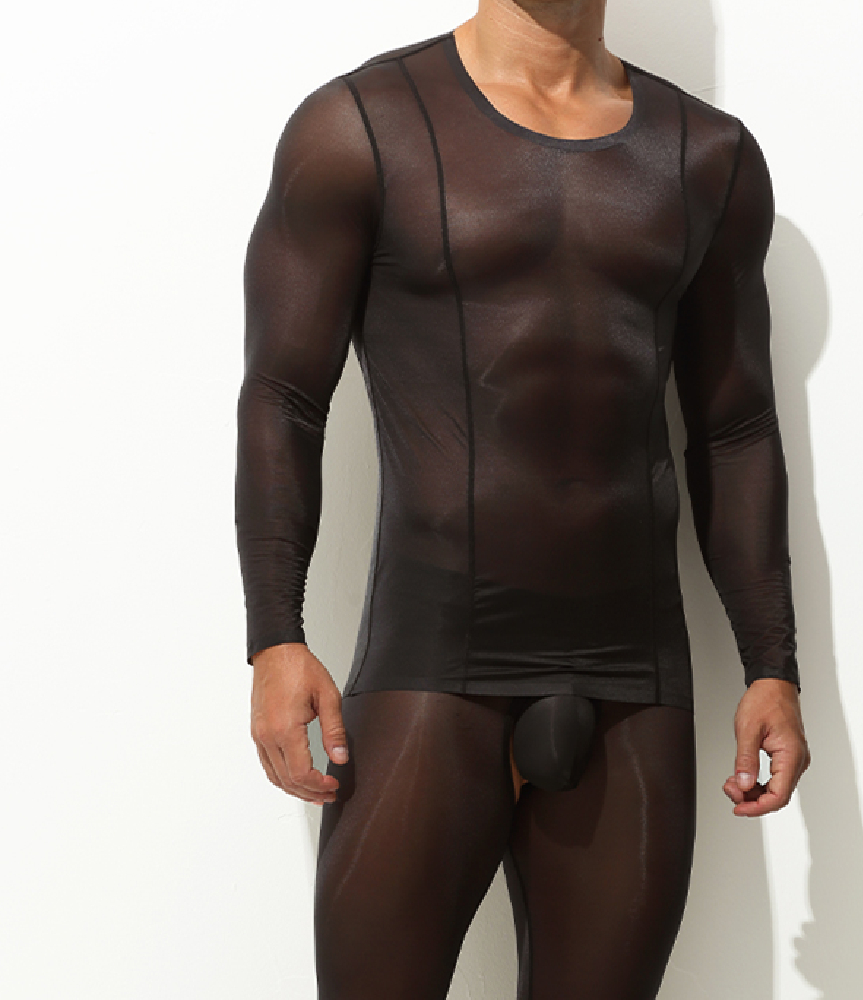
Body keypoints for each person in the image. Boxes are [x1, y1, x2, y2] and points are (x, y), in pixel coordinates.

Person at [235, 1, 811, 996]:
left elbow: (735, 429)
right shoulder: (364, 124)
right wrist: (273, 638)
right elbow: (283, 395)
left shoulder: (705, 154)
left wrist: (773, 664)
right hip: (431, 665)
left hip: (635, 680)